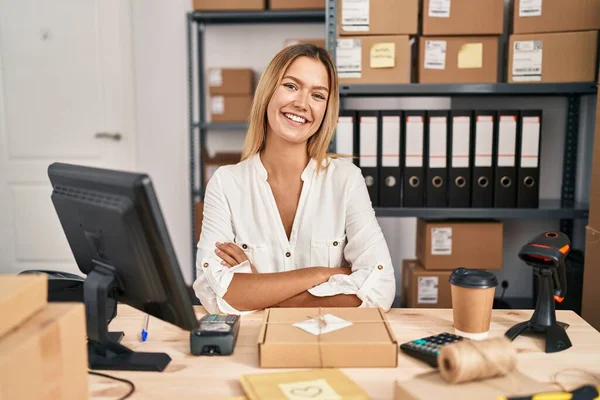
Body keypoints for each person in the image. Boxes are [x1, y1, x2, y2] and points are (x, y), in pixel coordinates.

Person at [192, 44, 395, 315]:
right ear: (268, 92)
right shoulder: (226, 183)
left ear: (327, 110)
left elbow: (380, 289)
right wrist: (324, 273)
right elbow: (212, 292)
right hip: (253, 347)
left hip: (329, 344)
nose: (302, 103)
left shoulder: (346, 179)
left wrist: (256, 289)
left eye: (318, 95)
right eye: (291, 86)